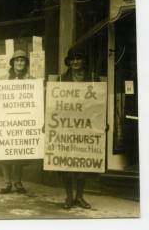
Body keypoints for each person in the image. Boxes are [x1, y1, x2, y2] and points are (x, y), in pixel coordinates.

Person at [60, 47, 97, 209]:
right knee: (66, 162)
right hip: (66, 127)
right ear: (68, 62)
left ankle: (80, 196)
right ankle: (69, 196)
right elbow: (54, 104)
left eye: (78, 58)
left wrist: (102, 121)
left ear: (84, 61)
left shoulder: (93, 80)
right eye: (72, 59)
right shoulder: (61, 80)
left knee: (83, 163)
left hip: (86, 127)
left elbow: (99, 104)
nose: (75, 62)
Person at [0, 50, 33, 194]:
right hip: (7, 119)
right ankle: (7, 182)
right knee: (5, 152)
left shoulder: (31, 80)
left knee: (19, 152)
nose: (19, 63)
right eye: (17, 60)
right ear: (12, 63)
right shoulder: (3, 79)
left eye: (22, 60)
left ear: (26, 63)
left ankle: (18, 182)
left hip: (22, 119)